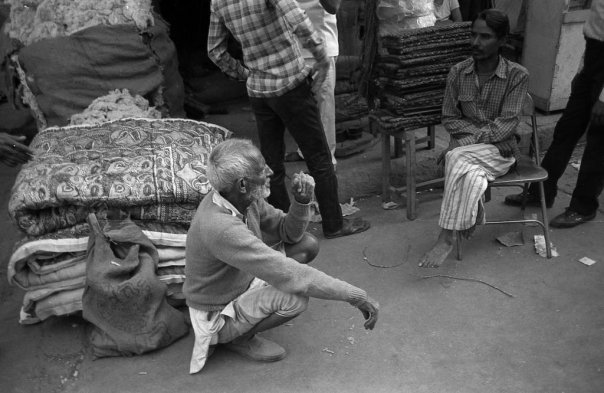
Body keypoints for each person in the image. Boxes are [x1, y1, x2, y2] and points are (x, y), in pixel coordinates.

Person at [184, 138, 379, 373]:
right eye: (261, 169)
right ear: (243, 184)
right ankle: (237, 338)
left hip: (241, 280)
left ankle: (246, 321)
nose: (270, 172)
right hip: (217, 312)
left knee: (307, 245)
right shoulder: (219, 226)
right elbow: (292, 274)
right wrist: (355, 296)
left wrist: (301, 201)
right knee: (295, 298)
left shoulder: (244, 199)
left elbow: (288, 233)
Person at [207, 0, 370, 239]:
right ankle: (334, 225)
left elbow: (215, 51)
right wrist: (321, 56)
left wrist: (243, 74)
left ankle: (284, 229)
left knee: (271, 163)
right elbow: (299, 21)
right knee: (320, 159)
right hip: (291, 85)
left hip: (259, 92)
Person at [419, 9, 528, 268]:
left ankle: (446, 237)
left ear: (501, 41)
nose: (475, 43)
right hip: (482, 152)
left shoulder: (517, 75)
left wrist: (464, 140)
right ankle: (471, 207)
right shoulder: (458, 72)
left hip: (501, 155)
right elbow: (449, 117)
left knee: (455, 154)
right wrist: (476, 140)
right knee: (467, 169)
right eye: (473, 35)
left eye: (485, 37)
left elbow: (507, 125)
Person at [505, 0, 604, 229]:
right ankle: (542, 192)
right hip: (592, 62)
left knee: (597, 145)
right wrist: (582, 72)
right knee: (565, 132)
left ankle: (583, 206)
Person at [286, 0, 339, 168]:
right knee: (299, 107)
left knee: (323, 105)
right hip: (293, 48)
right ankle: (304, 151)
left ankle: (327, 159)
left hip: (322, 47)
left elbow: (333, 6)